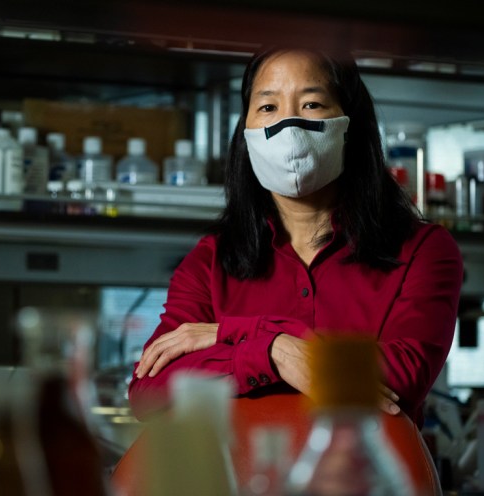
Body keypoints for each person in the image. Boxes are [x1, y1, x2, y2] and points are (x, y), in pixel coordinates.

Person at [128, 47, 463, 427]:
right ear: (246, 131)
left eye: (312, 104)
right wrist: (273, 354)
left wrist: (243, 335)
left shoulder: (423, 249)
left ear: (351, 124)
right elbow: (150, 389)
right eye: (268, 107)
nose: (288, 125)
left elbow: (401, 377)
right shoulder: (210, 260)